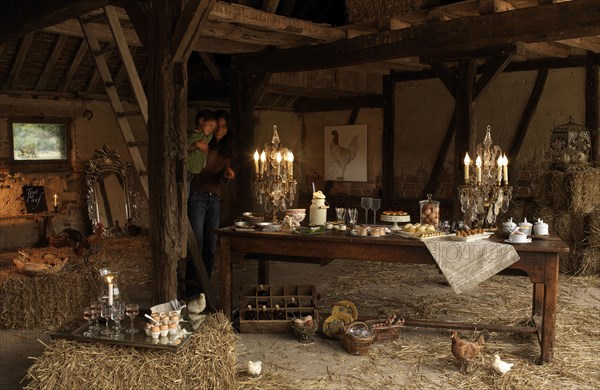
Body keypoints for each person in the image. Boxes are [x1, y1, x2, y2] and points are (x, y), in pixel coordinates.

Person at [186, 110, 235, 298]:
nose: (219, 130)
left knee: (210, 248)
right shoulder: (204, 140)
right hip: (197, 196)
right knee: (196, 245)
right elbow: (191, 163)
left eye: (224, 127)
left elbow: (222, 173)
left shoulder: (226, 150)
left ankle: (203, 290)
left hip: (214, 199)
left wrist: (227, 174)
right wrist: (194, 146)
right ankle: (191, 290)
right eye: (217, 126)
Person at [187, 110, 218, 190]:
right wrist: (196, 144)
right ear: (201, 120)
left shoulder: (207, 137)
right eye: (210, 125)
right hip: (187, 169)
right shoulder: (190, 135)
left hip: (196, 170)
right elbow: (184, 148)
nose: (212, 129)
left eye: (213, 128)